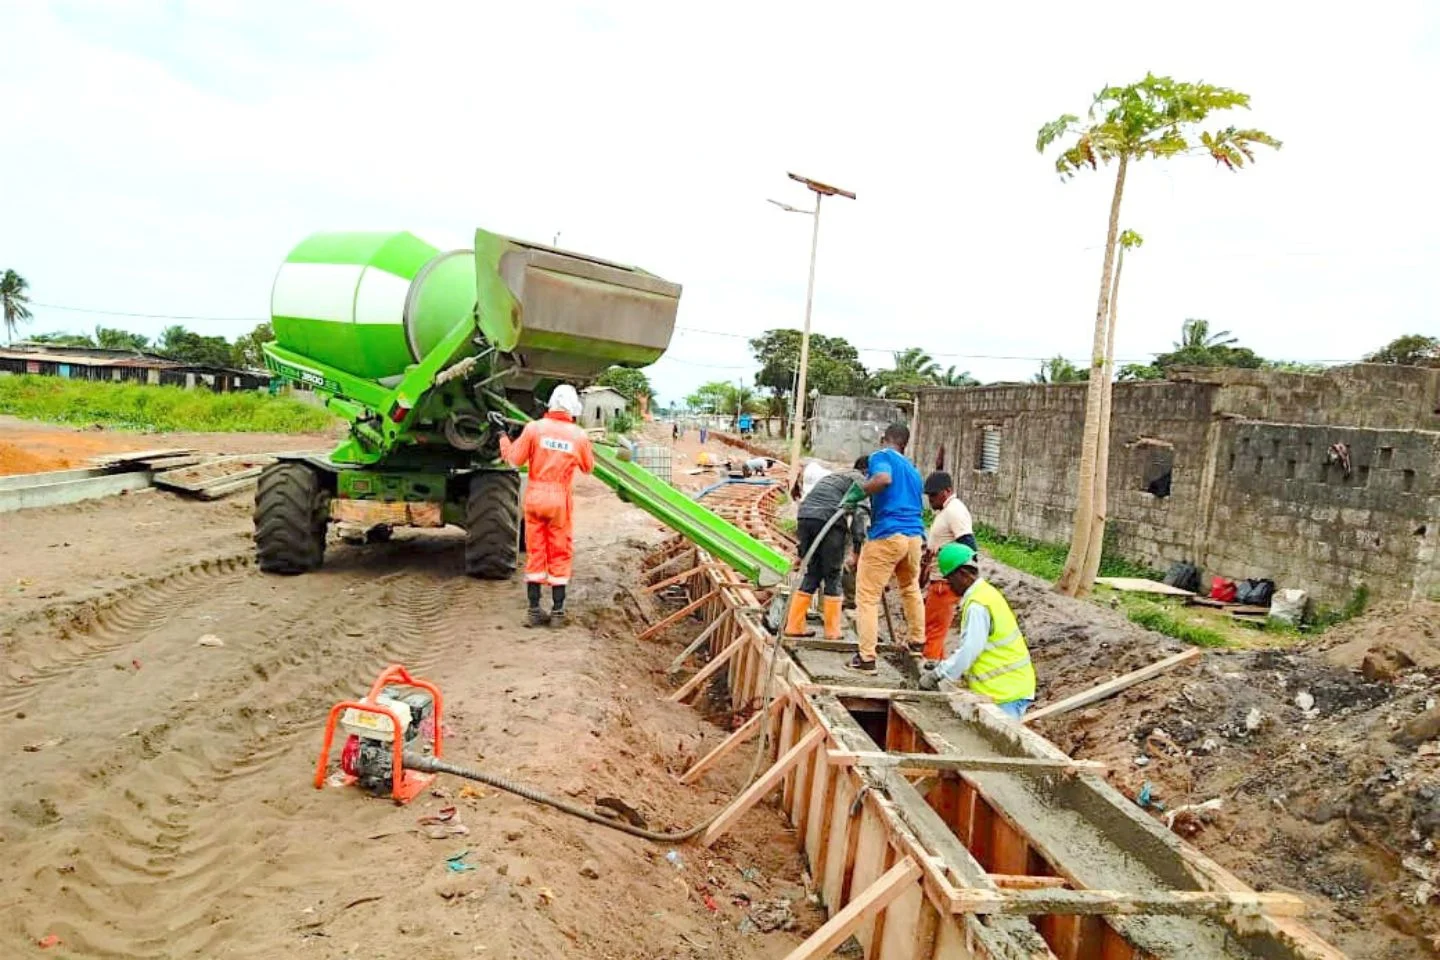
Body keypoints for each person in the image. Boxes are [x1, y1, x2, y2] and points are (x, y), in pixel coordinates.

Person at [497, 385, 595, 628]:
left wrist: (501, 435)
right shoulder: (578, 435)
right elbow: (588, 467)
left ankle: (533, 610)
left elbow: (512, 459)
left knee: (536, 552)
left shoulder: (534, 429)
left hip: (535, 497)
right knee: (559, 552)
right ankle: (558, 612)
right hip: (559, 500)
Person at [919, 543, 1036, 719]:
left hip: (1006, 692)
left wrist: (938, 674)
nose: (950, 587)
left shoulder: (977, 605)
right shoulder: (985, 593)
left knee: (1000, 743)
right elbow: (977, 649)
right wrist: (946, 665)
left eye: (950, 580)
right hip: (1006, 688)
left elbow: (969, 651)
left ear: (963, 574)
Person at [847, 423, 926, 672]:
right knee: (910, 588)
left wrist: (858, 492)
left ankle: (866, 657)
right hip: (914, 537)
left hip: (888, 534)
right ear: (906, 444)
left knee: (867, 596)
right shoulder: (913, 470)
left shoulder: (881, 456)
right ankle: (917, 641)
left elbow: (882, 479)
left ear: (884, 439)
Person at [783, 456, 869, 641]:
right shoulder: (861, 480)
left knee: (813, 573)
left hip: (805, 517)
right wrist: (857, 549)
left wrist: (801, 552)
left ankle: (794, 625)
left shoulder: (836, 476)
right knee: (832, 574)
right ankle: (832, 631)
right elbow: (859, 515)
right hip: (828, 521)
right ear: (867, 471)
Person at [920, 471, 977, 662]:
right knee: (934, 630)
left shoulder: (955, 511)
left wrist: (962, 580)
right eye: (928, 496)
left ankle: (929, 672)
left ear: (947, 491)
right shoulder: (946, 511)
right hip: (939, 581)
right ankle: (938, 669)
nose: (930, 500)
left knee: (932, 632)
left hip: (945, 583)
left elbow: (969, 546)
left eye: (934, 495)